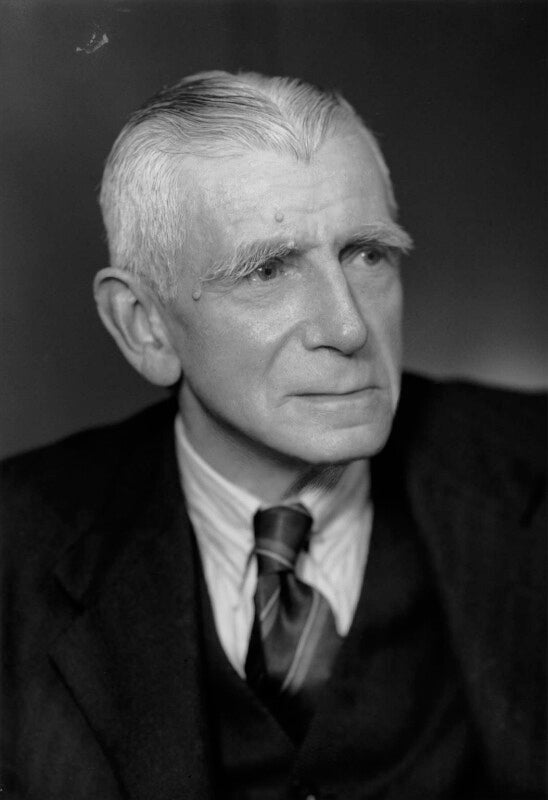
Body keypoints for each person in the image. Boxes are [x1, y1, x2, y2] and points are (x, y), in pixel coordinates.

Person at [0, 70, 545, 800]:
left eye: (367, 254)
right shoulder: (16, 546)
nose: (348, 327)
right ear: (145, 326)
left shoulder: (527, 464)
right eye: (267, 271)